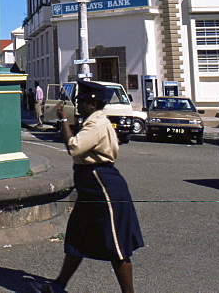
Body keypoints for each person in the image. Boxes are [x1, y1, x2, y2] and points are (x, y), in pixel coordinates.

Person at [39, 80, 144, 293]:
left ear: (93, 104)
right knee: (77, 237)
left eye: (83, 101)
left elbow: (74, 147)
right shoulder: (91, 121)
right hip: (89, 186)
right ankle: (59, 284)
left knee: (116, 244)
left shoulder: (97, 123)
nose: (78, 104)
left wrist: (64, 121)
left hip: (103, 186)